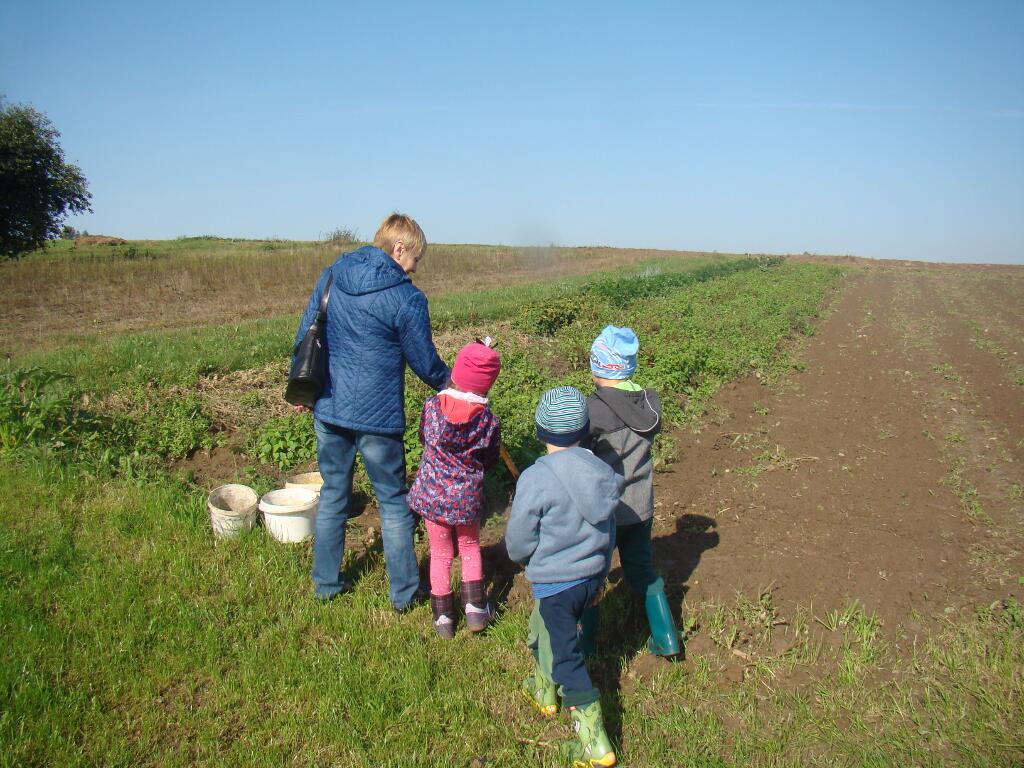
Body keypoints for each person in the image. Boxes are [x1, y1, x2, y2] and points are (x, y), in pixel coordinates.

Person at [293, 213, 450, 611]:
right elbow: (425, 362)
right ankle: (404, 595)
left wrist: (303, 388)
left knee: (333, 494)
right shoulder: (406, 298)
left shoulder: (332, 276)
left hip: (329, 408)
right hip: (378, 419)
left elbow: (306, 333)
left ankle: (326, 584)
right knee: (393, 501)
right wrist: (454, 386)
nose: (415, 268)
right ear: (399, 249)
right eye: (415, 258)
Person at [505, 386, 623, 768]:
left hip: (557, 583)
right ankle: (543, 691)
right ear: (584, 429)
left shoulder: (536, 478)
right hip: (589, 576)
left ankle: (594, 744)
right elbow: (609, 530)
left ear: (541, 431)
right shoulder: (602, 472)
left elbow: (519, 537)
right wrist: (600, 575)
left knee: (567, 658)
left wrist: (521, 557)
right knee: (541, 627)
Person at [581, 325, 680, 657]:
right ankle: (667, 639)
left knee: (592, 575)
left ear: (599, 366)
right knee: (642, 570)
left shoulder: (593, 411)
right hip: (640, 507)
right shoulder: (648, 403)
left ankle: (586, 646)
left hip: (604, 511)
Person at [406, 341, 502, 638]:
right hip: (465, 499)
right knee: (470, 547)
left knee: (440, 553)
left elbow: (424, 438)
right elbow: (490, 459)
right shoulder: (488, 421)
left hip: (432, 497)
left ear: (456, 373)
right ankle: (475, 609)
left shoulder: (432, 407)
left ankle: (443, 618)